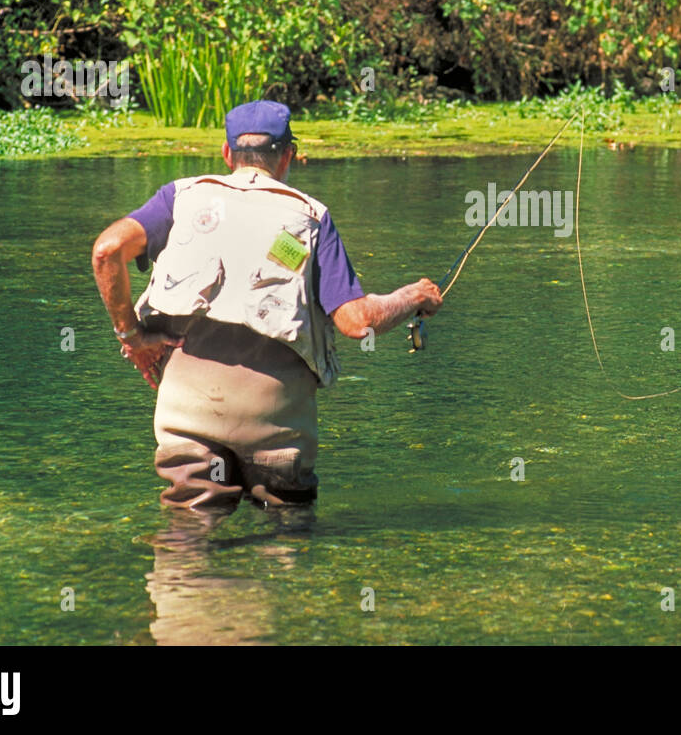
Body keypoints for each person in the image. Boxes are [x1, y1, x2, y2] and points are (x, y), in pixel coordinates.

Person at [91, 99, 442, 511]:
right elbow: (357, 322)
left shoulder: (179, 198)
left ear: (226, 154)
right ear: (288, 155)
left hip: (188, 414)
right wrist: (414, 296)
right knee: (287, 543)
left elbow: (106, 250)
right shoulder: (312, 216)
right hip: (277, 422)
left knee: (186, 540)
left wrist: (132, 335)